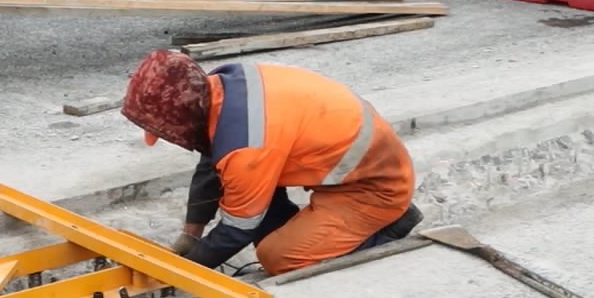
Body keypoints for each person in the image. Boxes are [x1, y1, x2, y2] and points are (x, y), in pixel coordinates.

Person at [120, 48, 421, 276]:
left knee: (276, 256)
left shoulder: (246, 146)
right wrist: (191, 235)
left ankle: (389, 228)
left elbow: (237, 229)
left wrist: (186, 272)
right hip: (361, 164)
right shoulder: (219, 87)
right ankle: (320, 230)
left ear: (182, 120)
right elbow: (211, 163)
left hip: (375, 189)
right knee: (246, 198)